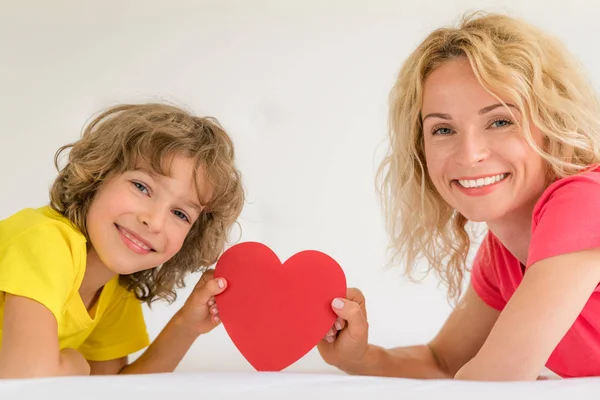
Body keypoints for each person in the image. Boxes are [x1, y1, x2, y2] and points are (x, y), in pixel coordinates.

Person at [317, 11, 600, 381]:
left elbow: (491, 382)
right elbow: (442, 362)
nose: (469, 154)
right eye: (443, 129)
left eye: (500, 121)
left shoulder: (586, 203)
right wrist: (358, 357)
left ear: (553, 123)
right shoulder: (502, 254)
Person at [0, 103, 245, 378]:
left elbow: (113, 389)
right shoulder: (44, 241)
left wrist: (186, 326)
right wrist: (76, 365)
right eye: (141, 187)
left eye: (179, 213)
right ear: (99, 175)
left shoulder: (112, 285)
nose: (154, 221)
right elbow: (26, 384)